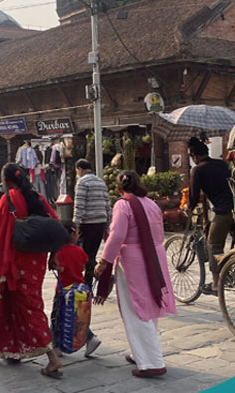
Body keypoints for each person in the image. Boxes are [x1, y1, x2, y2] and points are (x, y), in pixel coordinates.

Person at [0, 163, 64, 378]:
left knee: (27, 307)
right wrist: (54, 254)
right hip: (36, 262)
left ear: (6, 182)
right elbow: (56, 226)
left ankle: (52, 358)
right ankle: (12, 349)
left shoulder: (8, 199)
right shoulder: (38, 198)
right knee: (14, 302)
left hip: (15, 260)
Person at [95, 170, 176, 378]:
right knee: (148, 304)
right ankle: (140, 353)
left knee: (136, 309)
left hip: (134, 260)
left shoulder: (123, 205)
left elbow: (117, 235)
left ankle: (151, 362)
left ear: (119, 188)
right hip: (154, 256)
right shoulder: (151, 204)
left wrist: (104, 261)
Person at [186, 137, 234, 293]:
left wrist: (189, 207)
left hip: (224, 212)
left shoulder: (198, 170)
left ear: (195, 156)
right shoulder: (221, 164)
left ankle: (216, 283)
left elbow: (193, 195)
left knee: (213, 244)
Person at [51, 221, 101, 357]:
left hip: (63, 291)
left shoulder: (59, 252)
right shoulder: (79, 251)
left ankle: (55, 347)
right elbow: (83, 265)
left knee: (55, 318)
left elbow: (57, 267)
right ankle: (91, 338)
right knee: (79, 318)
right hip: (80, 289)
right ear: (73, 235)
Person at [73, 159, 112, 287]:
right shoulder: (101, 182)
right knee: (91, 254)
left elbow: (79, 206)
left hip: (87, 223)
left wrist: (75, 226)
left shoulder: (82, 182)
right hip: (100, 223)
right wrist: (107, 226)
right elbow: (107, 205)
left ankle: (103, 277)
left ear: (79, 169)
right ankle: (88, 284)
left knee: (85, 256)